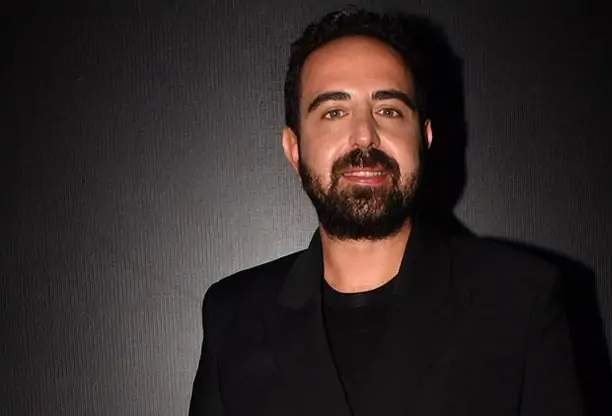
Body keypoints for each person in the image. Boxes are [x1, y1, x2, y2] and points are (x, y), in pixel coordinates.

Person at [189, 7, 584, 416]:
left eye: (389, 110)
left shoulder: (518, 298)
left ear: (423, 138)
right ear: (294, 148)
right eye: (334, 112)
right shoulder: (233, 314)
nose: (365, 135)